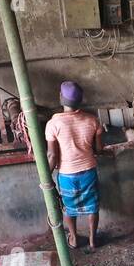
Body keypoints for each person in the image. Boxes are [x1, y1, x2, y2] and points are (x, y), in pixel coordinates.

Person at [45, 80, 103, 248]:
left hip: (66, 174)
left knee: (69, 209)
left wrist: (45, 177)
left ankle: (74, 238)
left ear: (61, 98)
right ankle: (93, 240)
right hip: (88, 171)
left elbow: (52, 155)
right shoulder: (92, 120)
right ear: (80, 100)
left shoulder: (53, 124)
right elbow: (99, 149)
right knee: (92, 207)